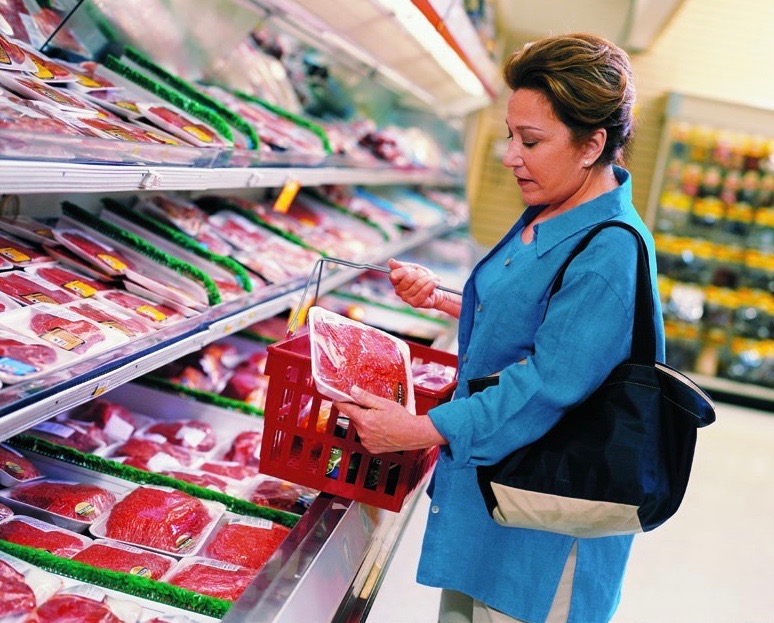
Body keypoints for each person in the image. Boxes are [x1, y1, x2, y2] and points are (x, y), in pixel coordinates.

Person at [334, 32, 665, 623]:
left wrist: (417, 429)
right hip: (488, 498)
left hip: (541, 524)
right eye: (511, 134)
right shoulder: (551, 204)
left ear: (592, 144)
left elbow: (546, 386)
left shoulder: (610, 248)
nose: (510, 154)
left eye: (530, 140)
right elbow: (545, 319)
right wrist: (441, 297)